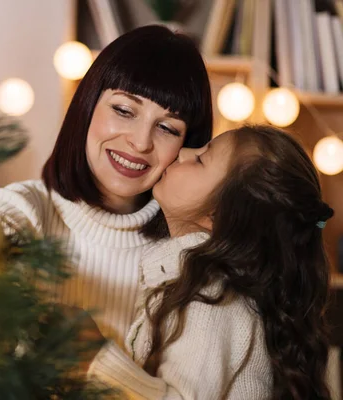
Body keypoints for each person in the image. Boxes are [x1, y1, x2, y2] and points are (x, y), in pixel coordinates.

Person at [0, 24, 212, 390]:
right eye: (124, 110)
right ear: (87, 106)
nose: (141, 142)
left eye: (167, 128)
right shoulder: (28, 208)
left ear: (188, 147)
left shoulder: (189, 263)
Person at [91, 125, 332, 399]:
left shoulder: (212, 300)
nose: (183, 152)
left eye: (202, 159)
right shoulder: (193, 282)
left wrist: (94, 357)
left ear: (220, 215)